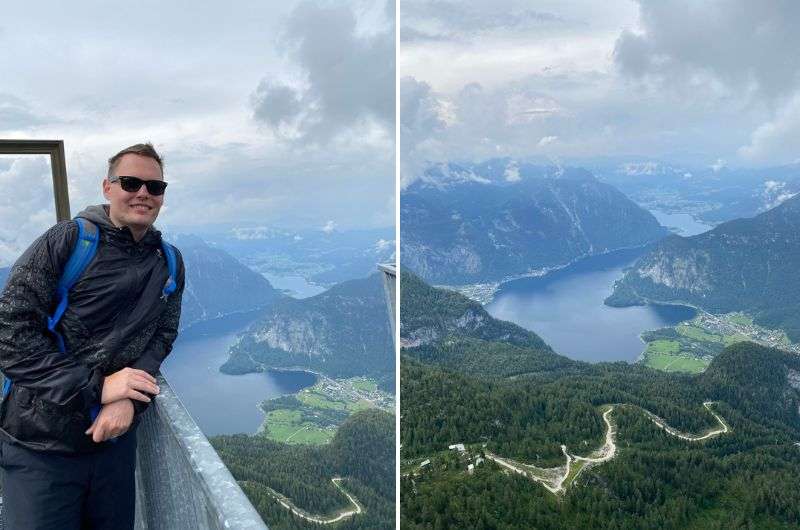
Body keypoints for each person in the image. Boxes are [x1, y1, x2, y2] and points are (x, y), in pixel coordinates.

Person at [0, 142, 185, 529]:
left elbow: (163, 334)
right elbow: (9, 334)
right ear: (107, 187)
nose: (143, 194)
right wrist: (98, 389)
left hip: (112, 448)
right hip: (41, 449)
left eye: (155, 187)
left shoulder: (167, 260)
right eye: (131, 182)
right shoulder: (67, 241)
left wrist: (131, 399)